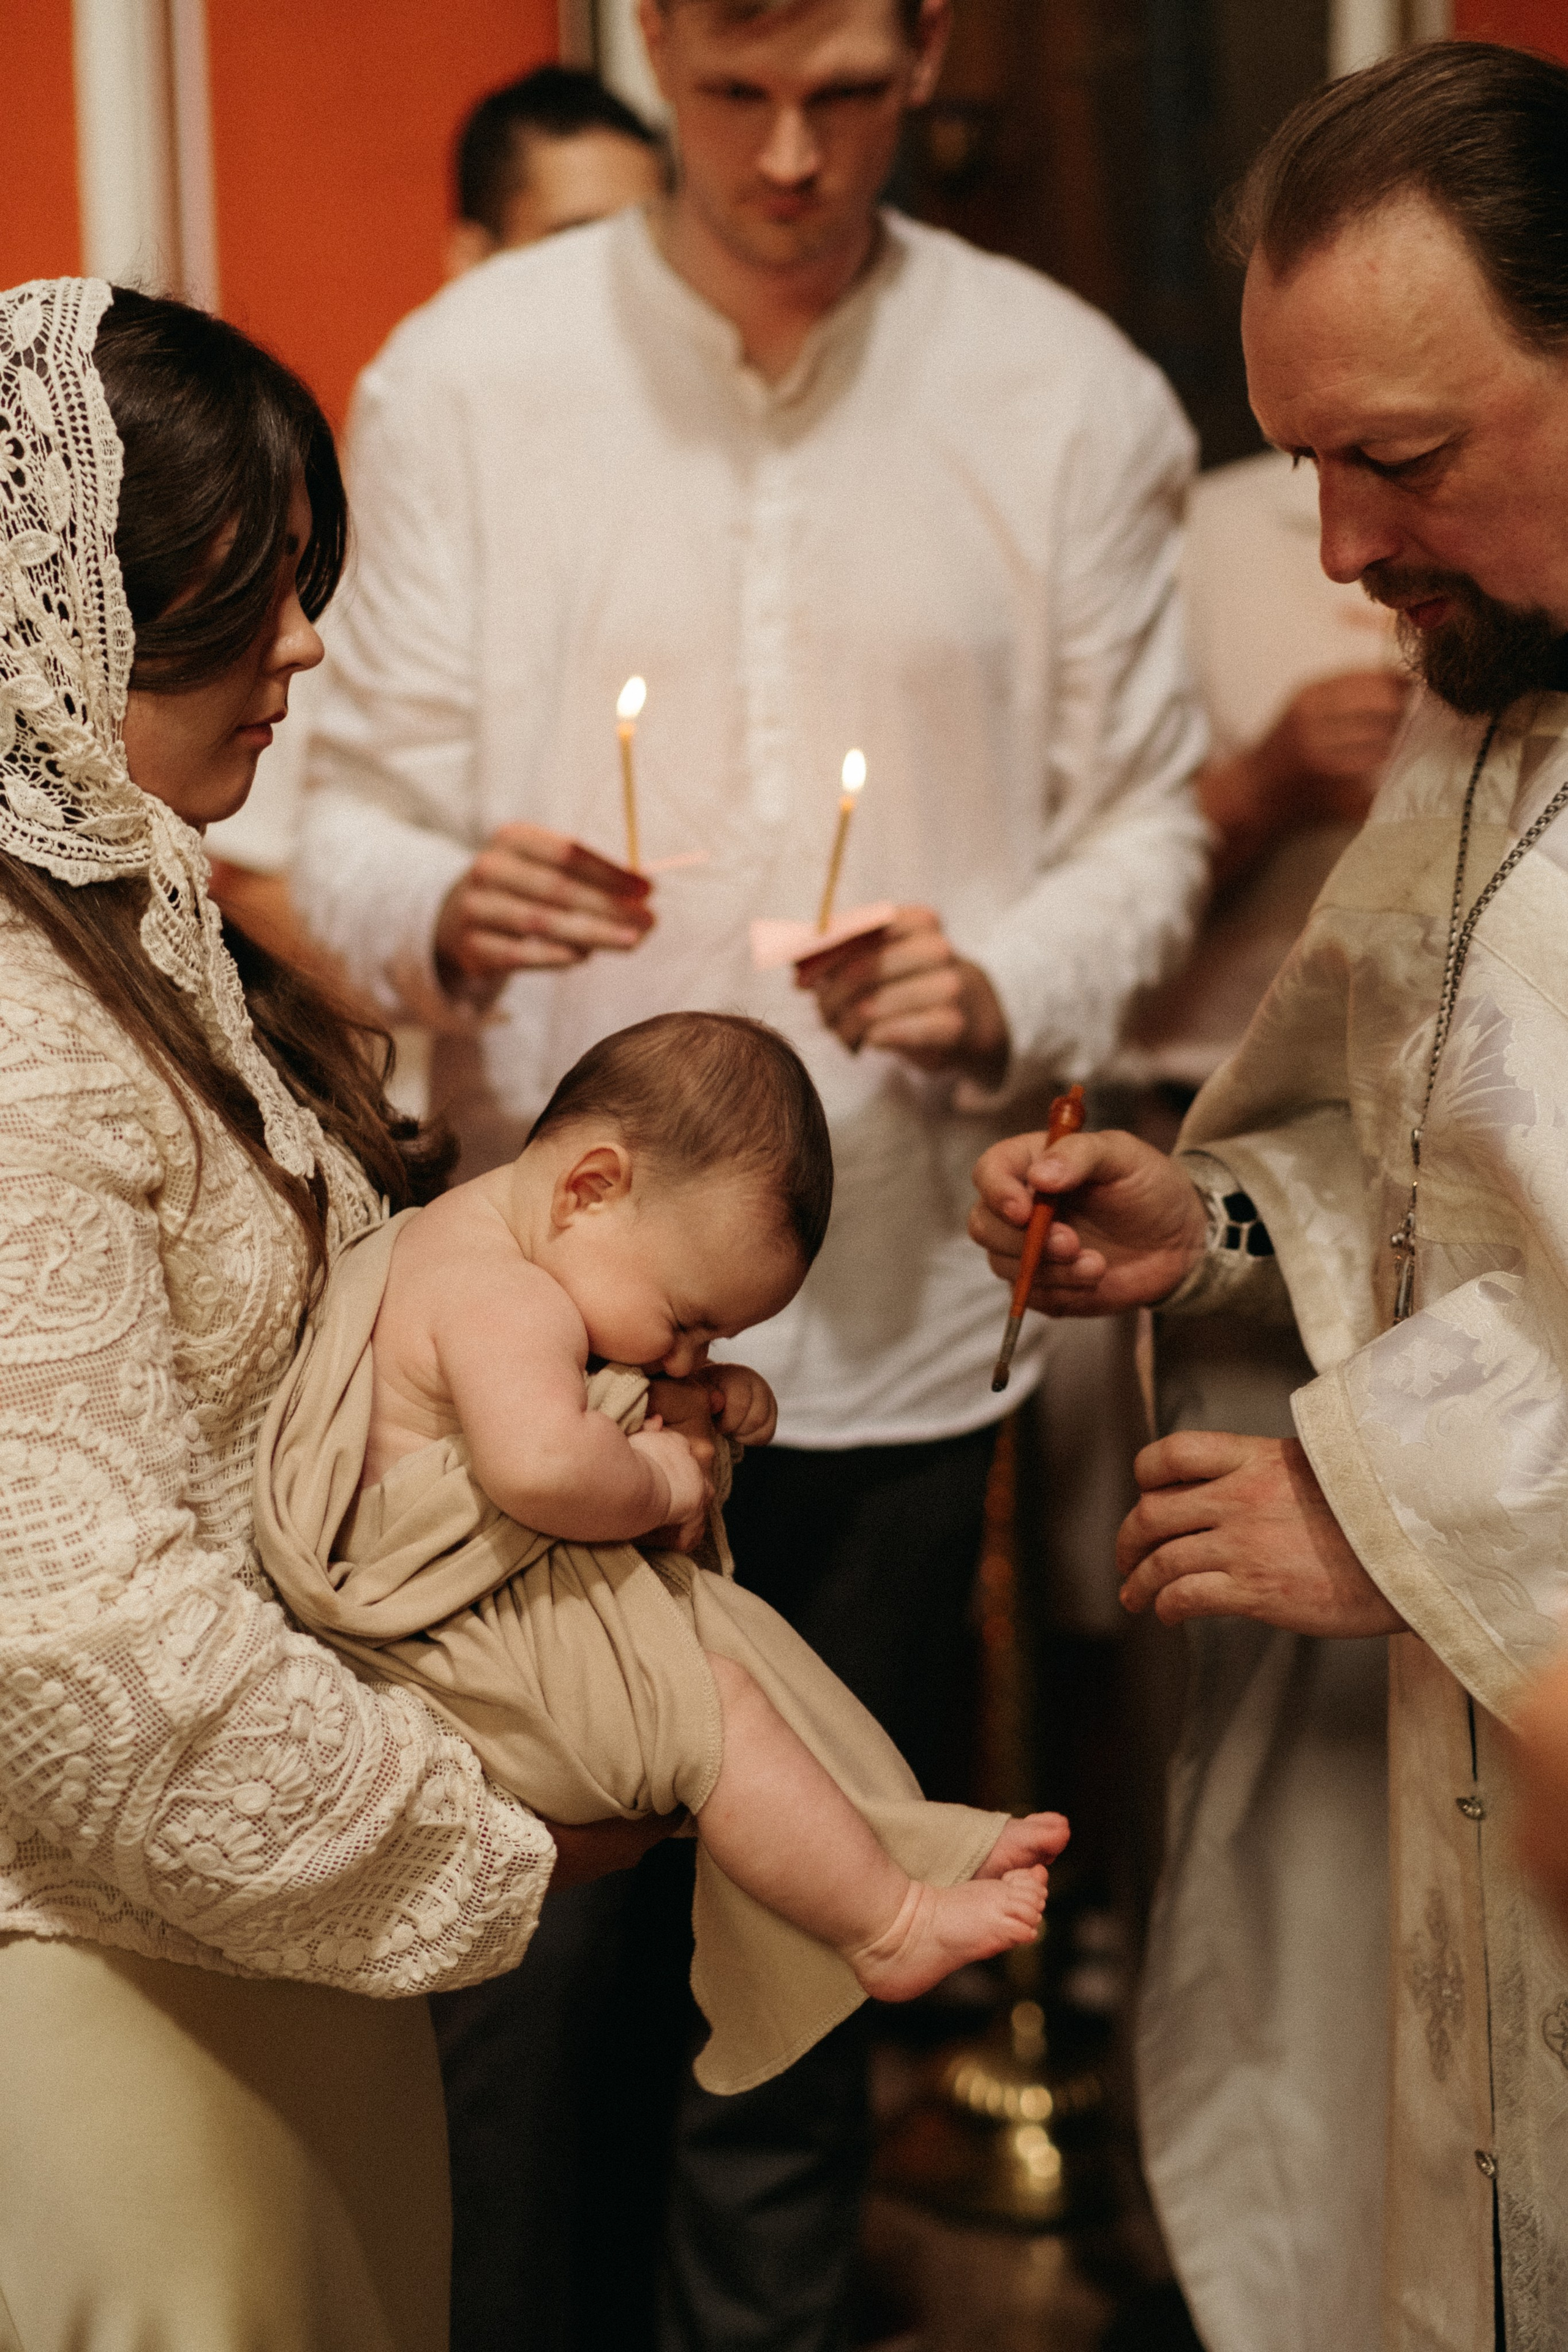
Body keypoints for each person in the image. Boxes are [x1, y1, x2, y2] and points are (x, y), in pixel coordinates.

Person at [286, 1, 1210, 2342]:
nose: (790, 154)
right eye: (729, 95)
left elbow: (1155, 829)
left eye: (849, 93)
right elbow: (331, 804)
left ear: (925, 50)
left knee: (810, 1965)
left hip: (889, 1316)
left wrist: (998, 976)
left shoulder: (1071, 389)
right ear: (658, 47)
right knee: (520, 1971)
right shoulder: (466, 379)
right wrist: (434, 903)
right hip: (523, 1342)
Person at [971, 43, 1568, 2352]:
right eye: (1304, 458)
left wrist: (1393, 1509)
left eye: (1400, 459)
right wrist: (1206, 1231)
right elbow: (1410, 1134)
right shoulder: (1484, 680)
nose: (1335, 552)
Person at [0, 276, 660, 2348]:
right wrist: (493, 1840)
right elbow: (71, 1646)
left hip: (274, 1956)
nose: (303, 646)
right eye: (246, 598)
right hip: (116, 2007)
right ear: (65, 610)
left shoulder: (127, 907)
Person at [256, 1010, 1071, 2094]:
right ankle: (889, 1920)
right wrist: (666, 1478)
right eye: (688, 1321)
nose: (686, 1351)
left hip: (463, 1617)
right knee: (720, 1706)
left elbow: (562, 1399)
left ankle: (911, 1848)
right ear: (592, 1188)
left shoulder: (481, 1242)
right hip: (448, 1645)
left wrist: (679, 1393)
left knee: (736, 1655)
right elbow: (543, 1469)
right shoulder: (507, 1296)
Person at [202, 64, 667, 1005]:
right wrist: (443, 938)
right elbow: (248, 869)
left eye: (640, 251)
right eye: (570, 247)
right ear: (470, 259)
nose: (607, 294)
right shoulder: (369, 502)